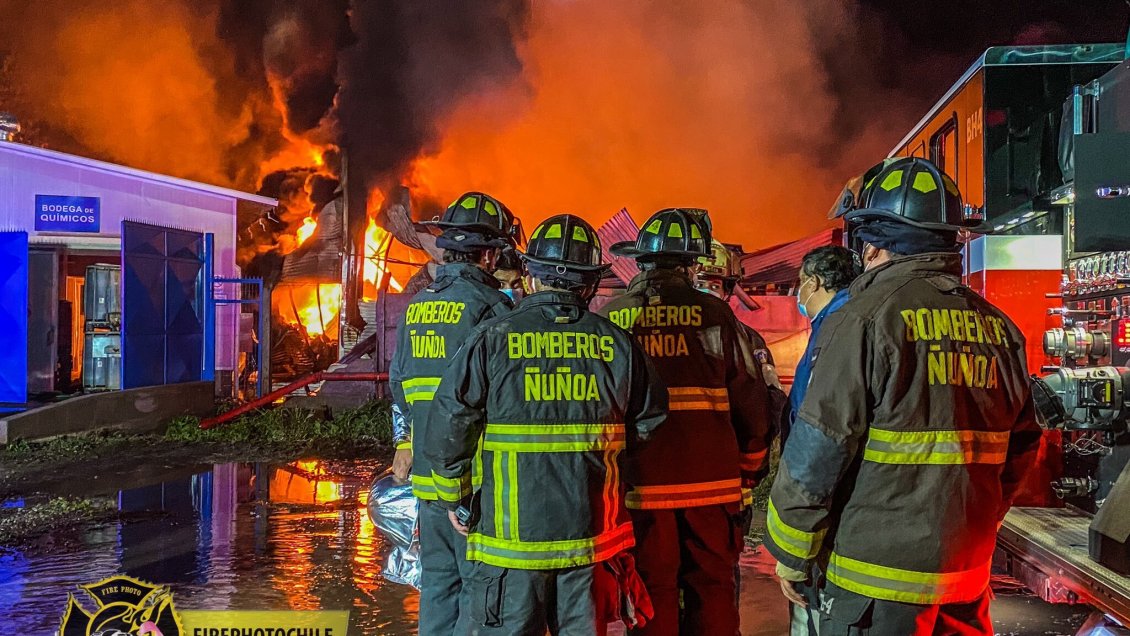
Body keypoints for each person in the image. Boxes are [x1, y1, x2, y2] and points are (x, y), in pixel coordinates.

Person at [765, 157, 1042, 635]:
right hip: (964, 580)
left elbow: (821, 446)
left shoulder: (862, 319)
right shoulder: (1000, 329)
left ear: (872, 244)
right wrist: (974, 521)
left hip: (874, 586)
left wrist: (792, 551)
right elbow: (1021, 448)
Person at [426, 214, 668, 635]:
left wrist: (456, 498)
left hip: (509, 554)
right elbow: (650, 421)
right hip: (591, 549)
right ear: (590, 284)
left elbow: (449, 421)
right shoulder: (618, 343)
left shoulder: (492, 337)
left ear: (532, 278)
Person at [599, 208, 773, 636]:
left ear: (639, 262)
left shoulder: (612, 318)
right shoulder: (717, 317)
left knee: (652, 590)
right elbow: (751, 399)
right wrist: (750, 469)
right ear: (692, 265)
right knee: (712, 588)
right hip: (711, 491)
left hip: (640, 490)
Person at [388, 191, 521, 636]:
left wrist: (403, 443)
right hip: (475, 484)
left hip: (427, 480)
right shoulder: (492, 309)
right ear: (488, 252)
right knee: (479, 593)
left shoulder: (417, 308)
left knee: (437, 587)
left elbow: (399, 388)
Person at [781, 245, 861, 636]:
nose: (797, 294)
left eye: (799, 284)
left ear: (813, 282)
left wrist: (793, 553)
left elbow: (819, 439)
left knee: (812, 613)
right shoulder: (850, 321)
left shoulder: (836, 330)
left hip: (834, 508)